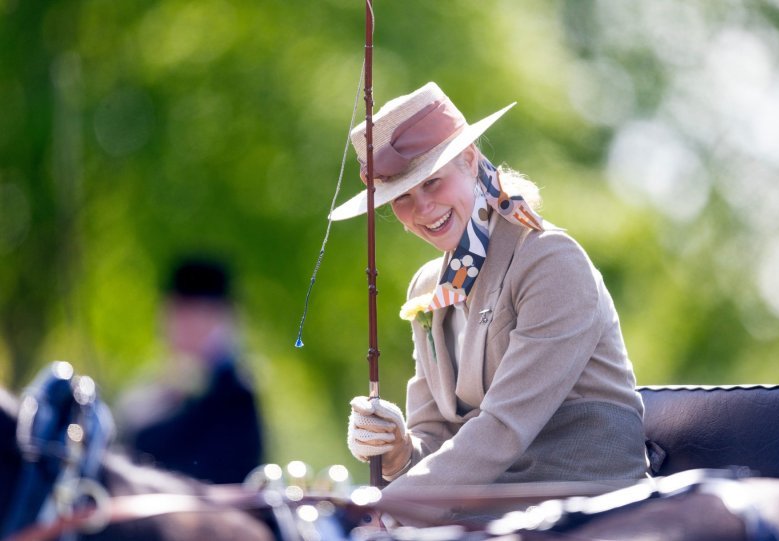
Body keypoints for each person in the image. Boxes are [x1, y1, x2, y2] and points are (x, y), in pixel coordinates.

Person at [336, 82, 647, 491]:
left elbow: (503, 430)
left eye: (432, 182)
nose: (422, 209)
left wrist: (385, 506)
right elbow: (435, 440)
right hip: (482, 512)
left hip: (585, 505)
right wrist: (398, 452)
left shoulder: (550, 261)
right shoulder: (427, 287)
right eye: (402, 197)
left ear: (468, 160)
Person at [116, 256, 265, 484]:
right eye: (177, 313)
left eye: (195, 314)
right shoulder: (150, 390)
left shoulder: (235, 393)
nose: (182, 325)